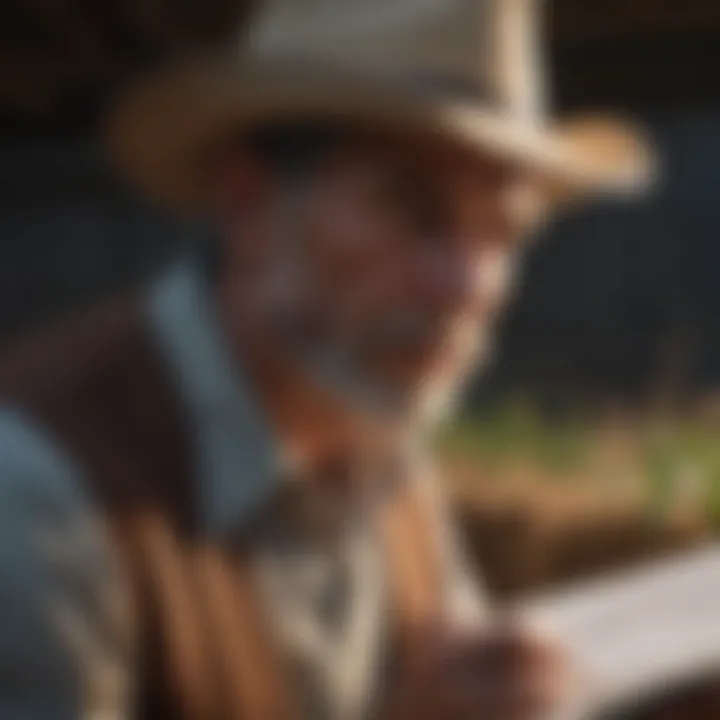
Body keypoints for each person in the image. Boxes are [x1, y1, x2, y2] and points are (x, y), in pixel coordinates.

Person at [0, 0, 654, 718]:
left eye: (503, 229)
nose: (468, 286)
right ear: (246, 200)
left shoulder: (382, 444)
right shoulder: (37, 494)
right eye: (411, 208)